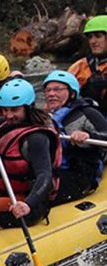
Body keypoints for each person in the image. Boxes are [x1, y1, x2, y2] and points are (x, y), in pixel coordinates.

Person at [0, 78, 61, 229]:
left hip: (27, 204)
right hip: (4, 194)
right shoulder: (2, 124)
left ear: (28, 108)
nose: (8, 115)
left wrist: (27, 205)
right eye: (5, 110)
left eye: (15, 110)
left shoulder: (37, 138)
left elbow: (45, 176)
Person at [42, 70, 107, 205]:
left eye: (57, 89)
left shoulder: (88, 113)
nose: (51, 94)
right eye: (48, 90)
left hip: (81, 174)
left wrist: (88, 136)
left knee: (41, 192)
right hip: (53, 170)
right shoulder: (44, 116)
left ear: (72, 93)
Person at [68, 14, 107, 114]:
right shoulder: (80, 66)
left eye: (98, 36)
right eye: (90, 37)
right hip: (88, 118)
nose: (93, 41)